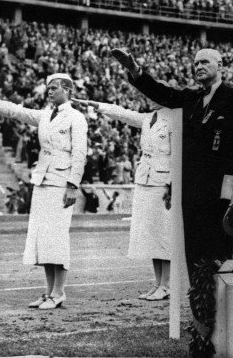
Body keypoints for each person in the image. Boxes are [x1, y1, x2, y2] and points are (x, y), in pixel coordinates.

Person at [111, 47, 233, 279]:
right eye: (196, 63)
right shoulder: (191, 98)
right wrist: (134, 70)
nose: (198, 67)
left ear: (220, 66)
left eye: (205, 62)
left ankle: (218, 306)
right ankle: (200, 306)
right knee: (193, 252)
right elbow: (159, 92)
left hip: (223, 186)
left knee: (219, 248)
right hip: (192, 189)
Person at [0, 73, 87, 310]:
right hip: (42, 180)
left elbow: (79, 154)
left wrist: (73, 185)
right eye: (48, 88)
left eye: (54, 88)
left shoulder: (76, 118)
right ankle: (49, 292)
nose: (49, 92)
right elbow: (17, 111)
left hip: (61, 182)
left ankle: (59, 292)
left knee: (57, 237)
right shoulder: (45, 115)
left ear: (68, 90)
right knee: (43, 238)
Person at [73, 97, 174, 301]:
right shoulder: (147, 118)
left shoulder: (174, 119)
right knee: (152, 235)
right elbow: (123, 113)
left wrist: (172, 185)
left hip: (163, 181)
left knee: (164, 234)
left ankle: (167, 284)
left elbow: (178, 156)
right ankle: (157, 284)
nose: (151, 99)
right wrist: (97, 106)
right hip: (145, 177)